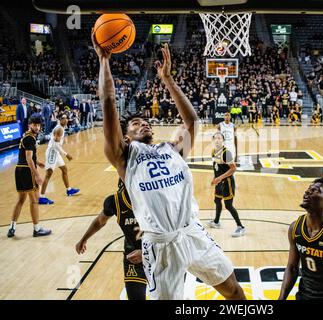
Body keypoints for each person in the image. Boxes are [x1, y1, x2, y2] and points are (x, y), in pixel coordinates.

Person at [93, 36, 245, 300]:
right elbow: (108, 101)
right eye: (136, 123)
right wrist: (104, 61)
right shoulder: (125, 157)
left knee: (233, 289)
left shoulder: (170, 150)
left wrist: (168, 80)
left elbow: (193, 123)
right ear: (125, 136)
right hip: (160, 244)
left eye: (145, 122)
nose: (144, 124)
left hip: (192, 231)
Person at [76, 180, 147, 300]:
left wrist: (146, 253)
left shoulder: (156, 199)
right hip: (133, 257)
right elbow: (100, 221)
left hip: (159, 253)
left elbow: (173, 232)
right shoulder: (115, 201)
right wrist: (84, 239)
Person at [7, 115, 52, 238]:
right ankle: (37, 229)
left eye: (39, 125)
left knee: (21, 200)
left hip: (19, 170)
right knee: (34, 200)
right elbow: (28, 158)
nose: (37, 127)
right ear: (30, 124)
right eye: (35, 125)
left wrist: (37, 162)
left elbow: (26, 155)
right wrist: (37, 175)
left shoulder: (26, 136)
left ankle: (12, 227)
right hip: (27, 171)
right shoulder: (30, 139)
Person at [207, 132, 245, 237]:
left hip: (227, 182)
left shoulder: (226, 153)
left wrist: (219, 178)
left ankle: (240, 227)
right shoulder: (214, 151)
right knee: (217, 200)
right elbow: (216, 166)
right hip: (219, 182)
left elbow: (233, 169)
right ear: (213, 140)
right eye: (215, 138)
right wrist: (215, 178)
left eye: (219, 138)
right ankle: (216, 222)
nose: (217, 140)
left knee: (228, 205)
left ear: (223, 140)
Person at [39, 114, 80, 205]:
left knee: (64, 169)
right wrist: (66, 154)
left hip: (55, 152)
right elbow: (55, 145)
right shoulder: (59, 129)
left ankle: (69, 190)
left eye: (66, 118)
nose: (65, 120)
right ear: (60, 120)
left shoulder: (60, 128)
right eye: (63, 118)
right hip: (52, 153)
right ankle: (41, 197)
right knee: (48, 174)